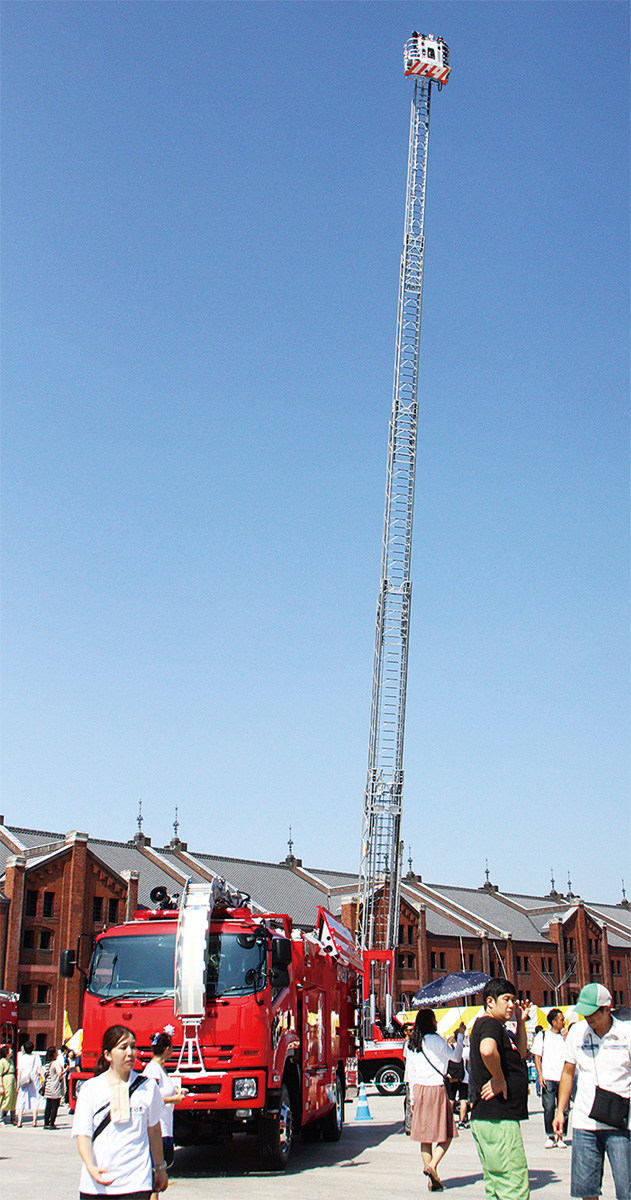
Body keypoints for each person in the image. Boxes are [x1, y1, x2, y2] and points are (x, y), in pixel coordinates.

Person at [553, 983, 631, 1200]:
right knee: (587, 1190)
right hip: (585, 1123)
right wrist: (560, 1111)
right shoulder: (577, 1033)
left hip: (621, 1123)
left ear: (607, 1008)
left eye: (592, 1012)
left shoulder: (626, 1034)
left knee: (627, 1190)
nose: (587, 1017)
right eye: (583, 1012)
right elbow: (568, 1072)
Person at [72, 1024, 168, 1197]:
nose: (130, 1052)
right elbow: (83, 1134)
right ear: (108, 1055)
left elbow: (154, 1130)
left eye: (133, 1046)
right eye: (123, 1047)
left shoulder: (148, 1087)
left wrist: (160, 1168)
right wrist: (91, 1167)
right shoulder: (91, 1088)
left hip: (136, 1182)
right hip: (97, 1184)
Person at [468, 978, 531, 1200]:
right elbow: (487, 1051)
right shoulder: (490, 1024)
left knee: (496, 1185)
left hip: (488, 1118)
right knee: (512, 1185)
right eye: (506, 999)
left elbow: (521, 1053)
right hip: (498, 1118)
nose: (512, 1004)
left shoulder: (495, 1026)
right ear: (490, 1002)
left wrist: (520, 1023)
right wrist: (499, 1078)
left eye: (513, 1000)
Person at [406, 1008, 465, 1191]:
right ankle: (432, 1166)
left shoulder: (412, 1044)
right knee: (446, 1133)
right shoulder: (436, 1040)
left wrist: (413, 1100)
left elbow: (411, 1075)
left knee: (425, 1138)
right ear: (430, 1022)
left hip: (419, 1090)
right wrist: (461, 1036)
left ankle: (433, 1179)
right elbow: (456, 1058)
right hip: (436, 1089)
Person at [143, 1029, 187, 1172]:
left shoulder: (161, 1069)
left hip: (166, 1127)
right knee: (156, 1173)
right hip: (158, 1129)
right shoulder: (153, 1070)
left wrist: (176, 1090)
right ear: (167, 1049)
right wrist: (173, 1099)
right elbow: (150, 1097)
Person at [531, 1008, 569, 1148]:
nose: (563, 1022)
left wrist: (568, 1037)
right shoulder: (543, 1035)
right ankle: (550, 1135)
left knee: (563, 1108)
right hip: (549, 1077)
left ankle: (561, 1136)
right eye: (561, 1020)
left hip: (564, 1078)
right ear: (553, 1022)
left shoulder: (565, 1037)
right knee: (549, 1107)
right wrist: (540, 1075)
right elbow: (537, 1056)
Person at [15, 1039, 42, 1128]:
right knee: (35, 1099)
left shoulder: (21, 1057)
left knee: (21, 1099)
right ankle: (34, 1121)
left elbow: (19, 1071)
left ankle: (19, 1121)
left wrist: (18, 1083)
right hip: (34, 1079)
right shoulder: (36, 1057)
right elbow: (39, 1068)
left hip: (24, 1079)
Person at [446, 1033, 470, 1129]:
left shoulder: (449, 1048)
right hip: (463, 1077)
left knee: (451, 1099)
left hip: (452, 1077)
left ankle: (449, 1122)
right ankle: (462, 1122)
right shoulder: (466, 1050)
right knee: (463, 1100)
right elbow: (468, 1064)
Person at [42, 1045, 65, 1129]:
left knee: (48, 1106)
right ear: (54, 1053)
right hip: (55, 1087)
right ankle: (52, 1123)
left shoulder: (47, 1063)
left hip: (48, 1086)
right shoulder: (56, 1063)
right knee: (55, 1106)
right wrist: (66, 1070)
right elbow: (59, 1074)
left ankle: (46, 1123)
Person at [402, 1019, 415, 1135]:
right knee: (410, 1100)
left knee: (409, 1100)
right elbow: (407, 1061)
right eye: (410, 1030)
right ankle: (409, 1126)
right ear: (405, 1032)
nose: (412, 1032)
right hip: (410, 1076)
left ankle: (410, 1123)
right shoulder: (407, 1045)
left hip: (412, 1076)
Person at [0, 1044, 17, 1124]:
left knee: (13, 1099)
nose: (11, 1051)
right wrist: (1, 1087)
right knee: (5, 1099)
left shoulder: (10, 1061)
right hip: (6, 1081)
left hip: (12, 1081)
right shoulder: (2, 1061)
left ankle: (12, 1118)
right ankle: (1, 1119)